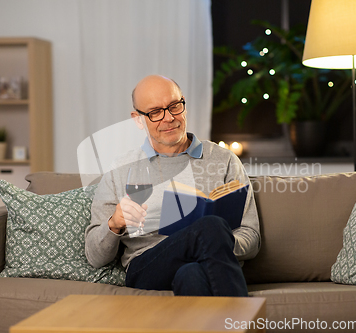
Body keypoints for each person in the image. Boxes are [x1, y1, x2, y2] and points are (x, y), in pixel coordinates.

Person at [85, 75, 260, 296]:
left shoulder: (224, 160)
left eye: (174, 106)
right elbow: (94, 256)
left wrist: (213, 244)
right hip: (148, 266)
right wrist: (115, 224)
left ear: (183, 105)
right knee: (210, 226)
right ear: (138, 119)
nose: (169, 118)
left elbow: (252, 238)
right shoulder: (120, 168)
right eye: (155, 112)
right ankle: (244, 322)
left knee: (192, 274)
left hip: (206, 267)